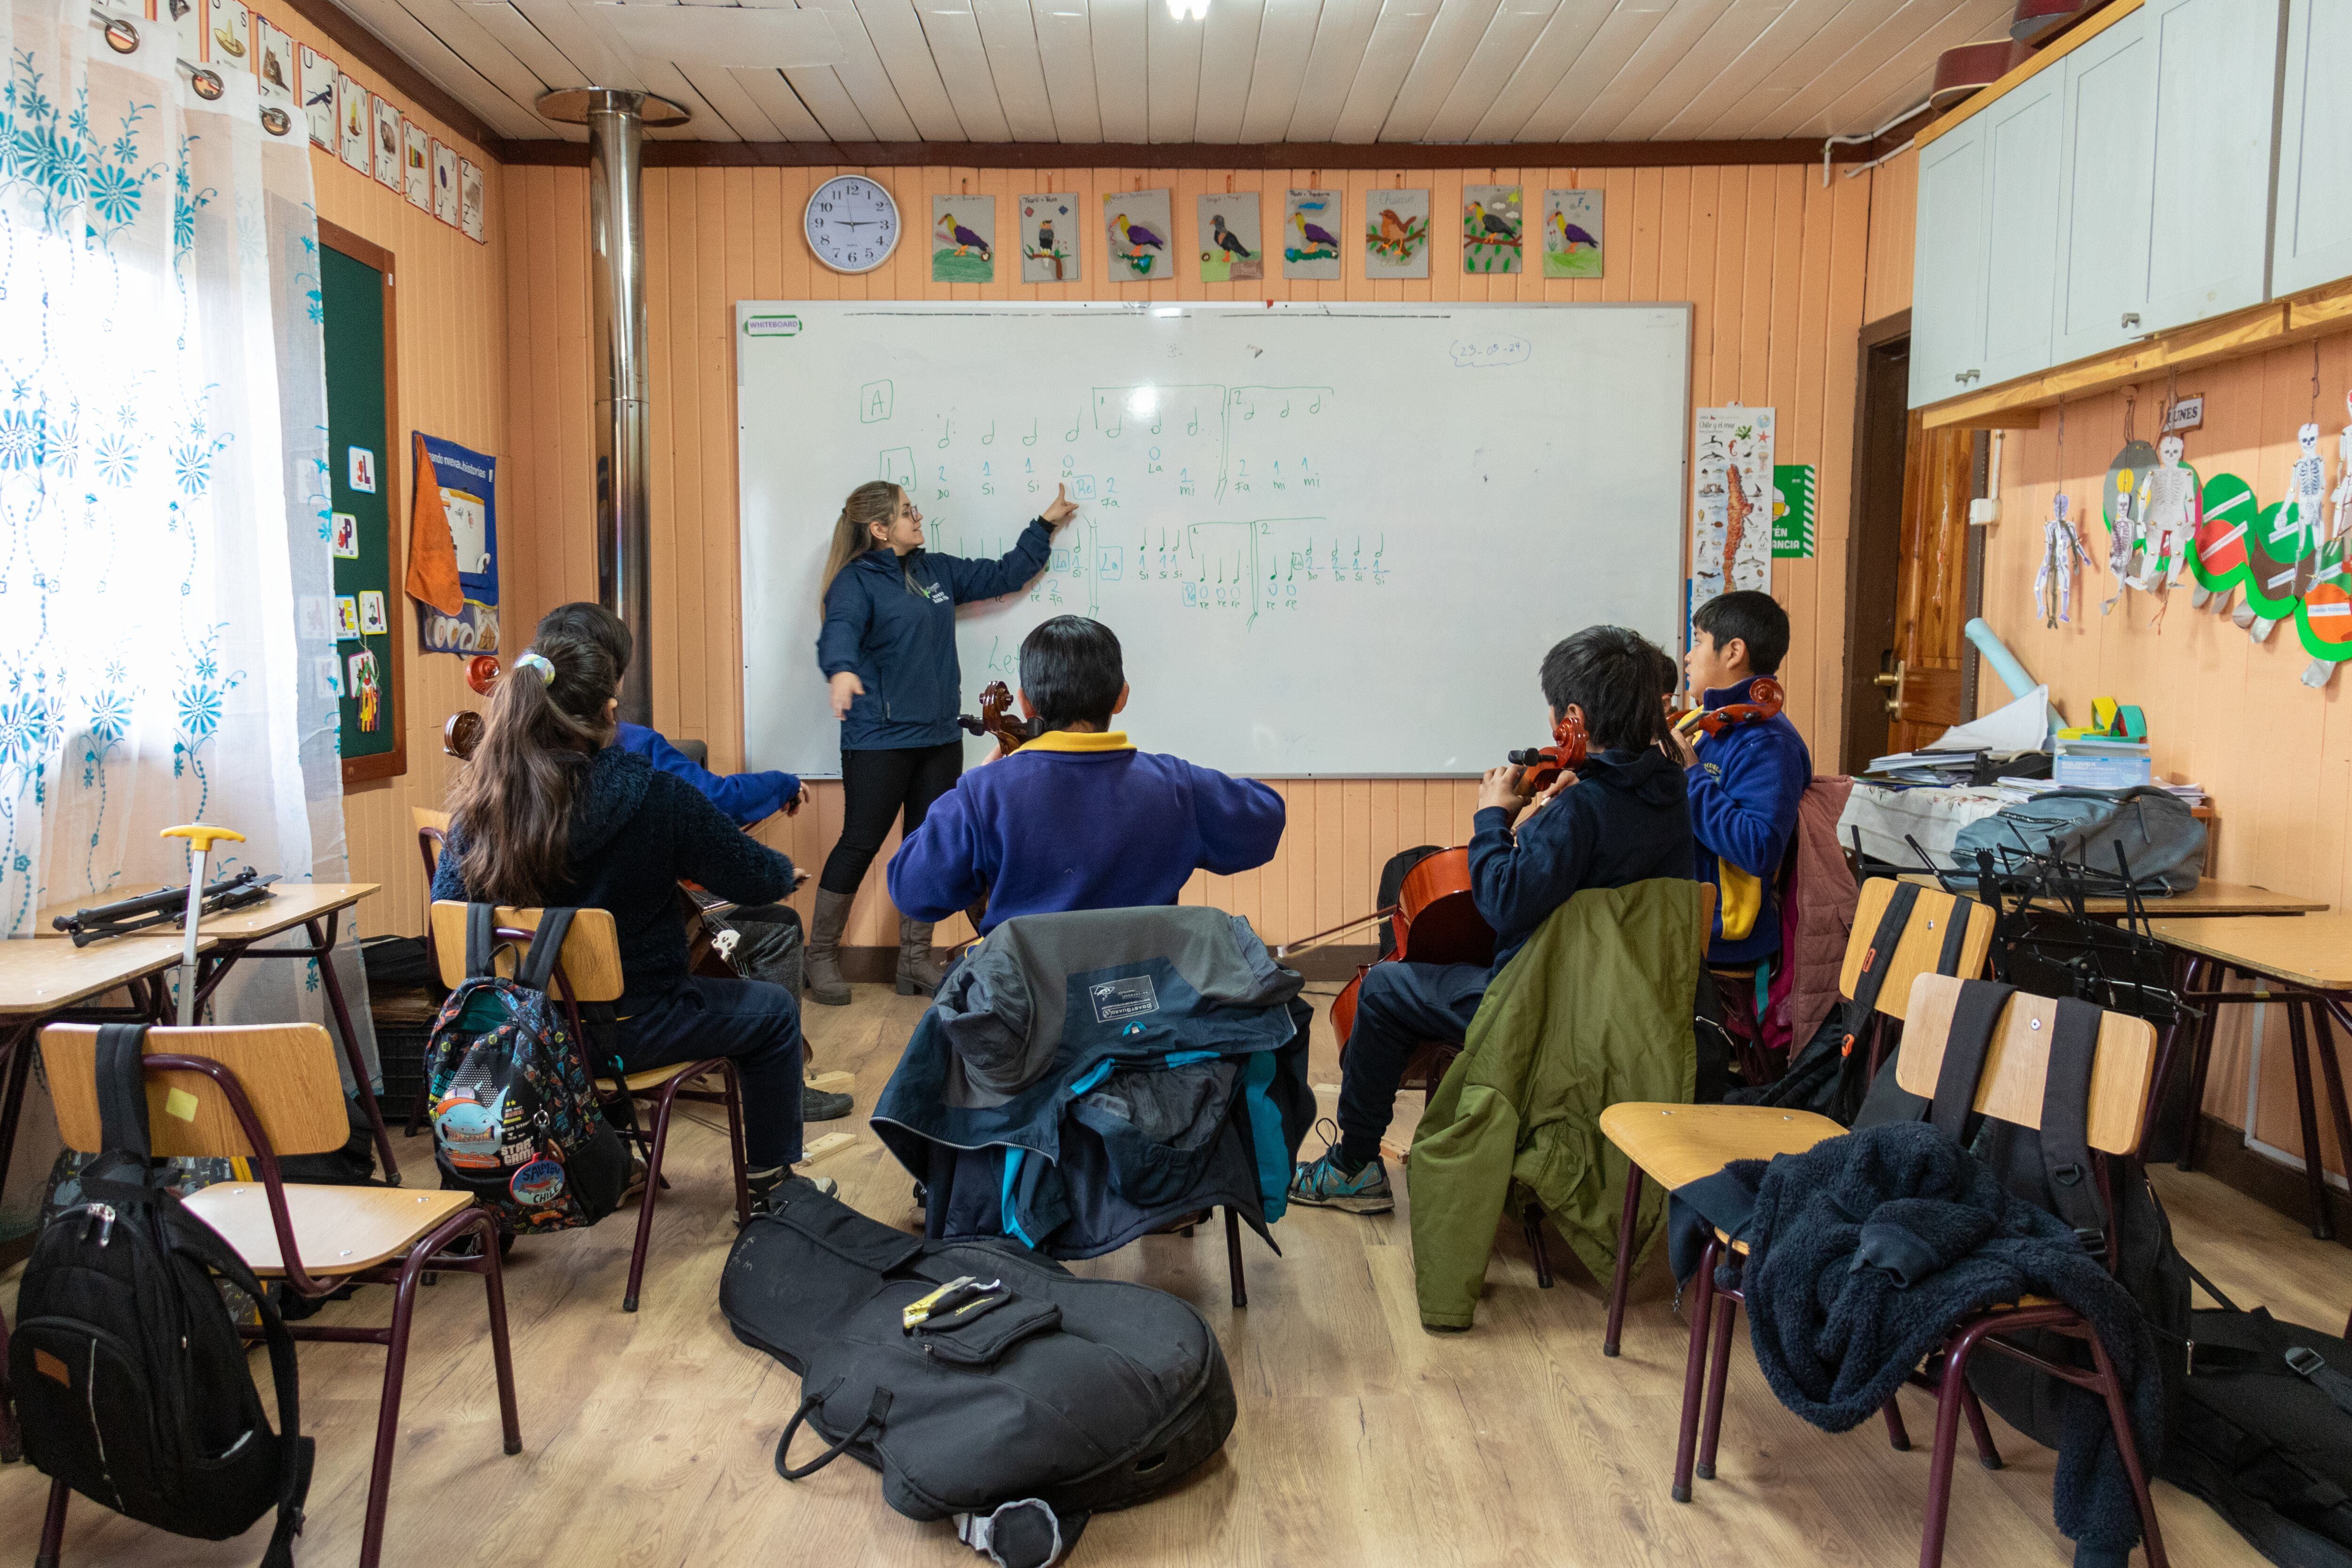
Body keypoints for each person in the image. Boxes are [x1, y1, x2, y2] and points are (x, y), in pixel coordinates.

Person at [1288, 626, 1694, 1214]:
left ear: (1572, 719)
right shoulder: (1668, 792)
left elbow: (1502, 903)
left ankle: (1352, 1167)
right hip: (1633, 1015)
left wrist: (1493, 819)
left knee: (1380, 988)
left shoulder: (1582, 808)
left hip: (1548, 1012)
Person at [430, 624, 826, 1210]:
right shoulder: (654, 795)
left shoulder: (477, 807)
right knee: (770, 1012)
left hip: (513, 1041)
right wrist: (780, 870)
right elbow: (754, 878)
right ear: (608, 710)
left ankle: (589, 1162)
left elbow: (450, 918)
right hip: (632, 1031)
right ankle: (771, 1185)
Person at [533, 602, 848, 1122]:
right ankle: (781, 1093)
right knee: (777, 926)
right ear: (608, 690)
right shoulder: (636, 754)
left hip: (532, 1006)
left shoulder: (499, 774)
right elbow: (716, 803)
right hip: (629, 1001)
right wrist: (780, 787)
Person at [810, 479, 1078, 1004]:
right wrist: (840, 670)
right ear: (879, 529)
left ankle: (913, 960)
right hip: (878, 739)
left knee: (927, 845)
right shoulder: (855, 581)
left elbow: (1005, 573)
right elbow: (839, 630)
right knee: (860, 842)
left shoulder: (936, 572)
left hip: (937, 735)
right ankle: (818, 956)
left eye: (915, 510)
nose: (918, 518)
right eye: (907, 513)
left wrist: (1043, 525)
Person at [887, 615, 1285, 931]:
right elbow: (1266, 819)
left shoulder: (985, 793)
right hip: (1148, 1008)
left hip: (1026, 1013)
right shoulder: (1177, 785)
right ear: (1121, 697)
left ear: (1025, 704)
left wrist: (973, 787)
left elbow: (912, 892)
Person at [536, 602, 807, 828]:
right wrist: (782, 784)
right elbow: (715, 801)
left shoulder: (506, 743)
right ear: (611, 676)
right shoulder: (632, 744)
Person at [1673, 591, 1811, 969]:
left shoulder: (1768, 742)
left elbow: (1759, 848)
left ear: (1733, 652)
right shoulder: (1703, 720)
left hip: (1716, 927)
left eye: (1698, 641)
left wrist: (1690, 777)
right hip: (1680, 909)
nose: (1688, 655)